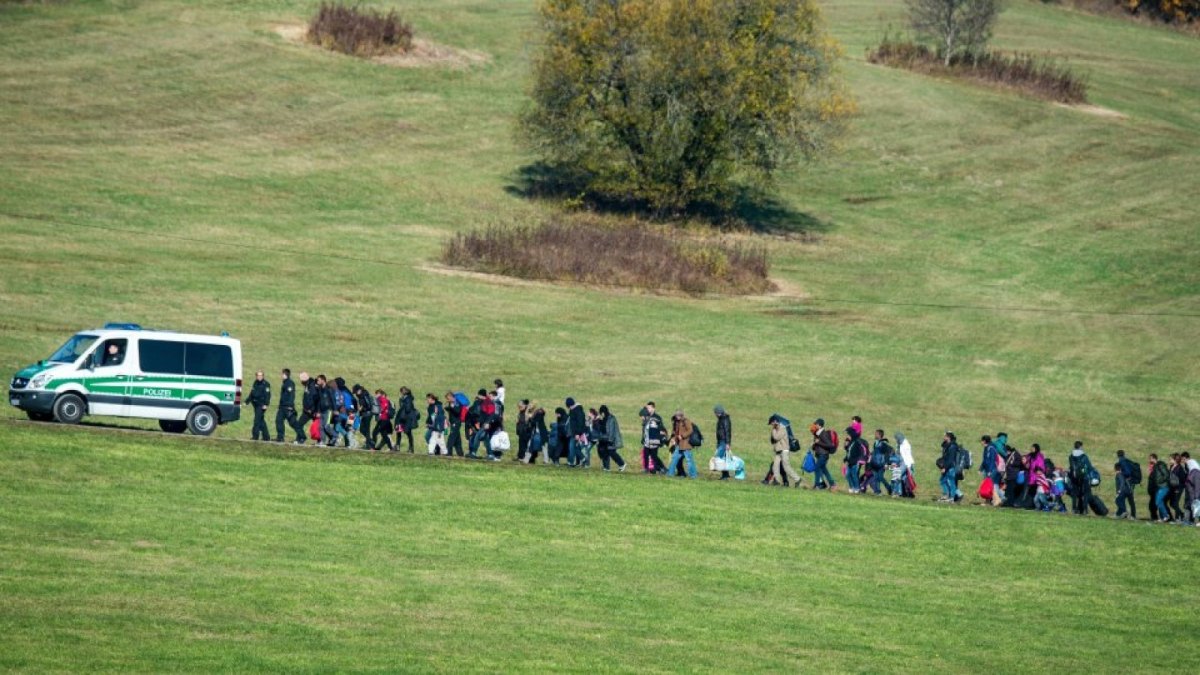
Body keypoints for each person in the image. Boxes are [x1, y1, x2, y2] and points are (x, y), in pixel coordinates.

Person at [769, 415, 800, 487]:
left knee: (786, 467)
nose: (771, 425)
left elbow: (776, 437)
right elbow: (773, 440)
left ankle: (797, 479)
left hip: (784, 450)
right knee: (775, 466)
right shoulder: (776, 429)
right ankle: (776, 481)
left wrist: (773, 430)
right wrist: (774, 430)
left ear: (775, 422)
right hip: (778, 450)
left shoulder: (782, 428)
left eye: (771, 423)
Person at [666, 409, 698, 479]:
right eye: (676, 415)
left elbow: (690, 430)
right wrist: (673, 439)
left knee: (689, 460)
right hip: (679, 445)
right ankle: (670, 473)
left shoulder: (686, 421)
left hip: (686, 445)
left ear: (681, 415)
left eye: (678, 415)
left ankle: (693, 475)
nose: (677, 417)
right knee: (674, 459)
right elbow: (676, 433)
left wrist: (682, 435)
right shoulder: (677, 422)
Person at [275, 368, 302, 443]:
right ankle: (280, 437)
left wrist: (290, 406)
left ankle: (301, 436)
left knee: (293, 423)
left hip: (287, 407)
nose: (281, 376)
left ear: (285, 374)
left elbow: (291, 395)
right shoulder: (285, 383)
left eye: (282, 374)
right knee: (278, 420)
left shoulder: (290, 383)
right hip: (282, 407)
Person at [1068, 441, 1095, 515]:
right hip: (1084, 477)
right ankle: (1085, 509)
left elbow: (1071, 467)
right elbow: (1089, 467)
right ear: (1080, 447)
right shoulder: (1084, 456)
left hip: (1074, 477)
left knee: (1074, 494)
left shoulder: (1071, 456)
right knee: (1085, 493)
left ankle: (1074, 508)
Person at [596, 405, 627, 472]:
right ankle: (606, 467)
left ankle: (622, 464)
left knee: (611, 452)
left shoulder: (611, 419)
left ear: (603, 412)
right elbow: (601, 429)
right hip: (604, 439)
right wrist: (598, 421)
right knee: (604, 452)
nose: (601, 414)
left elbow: (612, 431)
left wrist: (610, 440)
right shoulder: (603, 419)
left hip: (611, 439)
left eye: (601, 413)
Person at [811, 419, 837, 491]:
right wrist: (814, 445)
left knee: (817, 468)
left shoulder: (823, 433)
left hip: (823, 455)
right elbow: (818, 444)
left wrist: (818, 442)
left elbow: (830, 445)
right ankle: (833, 484)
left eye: (816, 424)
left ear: (819, 425)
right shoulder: (818, 433)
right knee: (824, 470)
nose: (815, 425)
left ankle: (817, 485)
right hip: (820, 454)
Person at [245, 369, 271, 441]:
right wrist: (247, 401)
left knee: (257, 420)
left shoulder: (266, 384)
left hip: (261, 405)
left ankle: (255, 436)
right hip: (255, 404)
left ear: (263, 376)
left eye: (260, 375)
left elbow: (268, 395)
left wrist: (266, 404)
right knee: (261, 420)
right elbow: (252, 393)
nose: (259, 377)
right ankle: (266, 437)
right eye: (258, 375)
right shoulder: (255, 383)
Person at [295, 372, 320, 446]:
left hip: (311, 411)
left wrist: (311, 409)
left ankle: (301, 438)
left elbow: (314, 399)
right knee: (300, 424)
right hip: (307, 410)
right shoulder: (308, 385)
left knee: (316, 426)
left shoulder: (312, 386)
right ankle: (300, 438)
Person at [641, 404, 667, 474]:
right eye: (647, 408)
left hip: (654, 441)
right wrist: (643, 438)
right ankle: (646, 469)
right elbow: (645, 429)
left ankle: (662, 468)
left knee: (654, 456)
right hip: (647, 440)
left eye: (649, 408)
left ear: (653, 408)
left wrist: (662, 440)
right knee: (645, 455)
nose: (648, 409)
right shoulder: (646, 417)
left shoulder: (657, 418)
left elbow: (661, 429)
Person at [938, 432, 963, 503]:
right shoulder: (947, 445)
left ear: (948, 437)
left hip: (951, 467)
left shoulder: (952, 447)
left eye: (945, 436)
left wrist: (945, 468)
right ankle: (946, 495)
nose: (943, 437)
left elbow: (951, 459)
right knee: (943, 480)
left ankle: (952, 497)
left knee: (950, 482)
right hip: (947, 466)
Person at [1114, 450, 1138, 520]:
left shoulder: (1122, 462)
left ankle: (1124, 512)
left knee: (1121, 498)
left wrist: (1120, 473)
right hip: (1130, 482)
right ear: (1124, 454)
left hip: (1127, 483)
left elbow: (1127, 473)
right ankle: (1131, 515)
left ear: (1118, 455)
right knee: (1129, 499)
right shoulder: (1128, 461)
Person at [566, 397, 589, 468]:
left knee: (572, 447)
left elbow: (580, 423)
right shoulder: (573, 410)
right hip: (574, 432)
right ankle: (583, 459)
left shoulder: (577, 411)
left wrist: (577, 433)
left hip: (576, 433)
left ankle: (571, 462)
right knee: (575, 447)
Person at [867, 430, 892, 495]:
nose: (875, 435)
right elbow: (875, 452)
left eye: (876, 434)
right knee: (875, 477)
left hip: (881, 464)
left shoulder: (883, 444)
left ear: (880, 435)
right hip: (874, 463)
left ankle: (889, 488)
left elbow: (887, 453)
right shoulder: (875, 443)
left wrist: (887, 463)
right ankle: (877, 491)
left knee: (880, 477)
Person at [844, 426, 867, 494]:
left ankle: (857, 488)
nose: (847, 435)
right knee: (848, 475)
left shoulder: (857, 442)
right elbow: (849, 451)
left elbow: (860, 452)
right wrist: (846, 458)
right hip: (849, 461)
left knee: (854, 475)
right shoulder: (851, 442)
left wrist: (857, 460)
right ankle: (852, 487)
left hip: (854, 462)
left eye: (848, 434)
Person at [396, 387, 418, 453]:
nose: (402, 392)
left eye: (403, 391)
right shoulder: (404, 399)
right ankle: (398, 447)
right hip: (402, 418)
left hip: (406, 419)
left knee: (408, 433)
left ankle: (411, 448)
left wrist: (403, 404)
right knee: (399, 432)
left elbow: (408, 409)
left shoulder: (408, 399)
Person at [353, 384, 375, 451]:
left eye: (356, 392)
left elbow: (365, 406)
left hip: (367, 414)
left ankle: (370, 446)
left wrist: (360, 409)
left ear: (359, 390)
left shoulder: (363, 395)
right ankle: (371, 442)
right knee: (362, 429)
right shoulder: (362, 395)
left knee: (367, 430)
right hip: (365, 414)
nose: (356, 394)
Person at [1167, 453, 1188, 523]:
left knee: (1175, 503)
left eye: (1171, 459)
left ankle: (1177, 519)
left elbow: (1183, 479)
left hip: (1178, 488)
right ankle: (1181, 515)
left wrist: (1178, 488)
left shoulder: (1180, 468)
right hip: (1172, 488)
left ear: (1175, 460)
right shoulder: (1171, 466)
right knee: (1172, 503)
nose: (1169, 460)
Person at [714, 405, 732, 480]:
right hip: (721, 441)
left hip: (724, 441)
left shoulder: (724, 420)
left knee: (718, 457)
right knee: (723, 459)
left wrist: (727, 443)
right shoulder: (721, 419)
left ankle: (724, 474)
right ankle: (725, 475)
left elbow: (727, 432)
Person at [444, 392, 464, 457]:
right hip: (453, 422)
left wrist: (451, 408)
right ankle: (460, 453)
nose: (447, 400)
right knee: (457, 439)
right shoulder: (451, 403)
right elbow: (452, 413)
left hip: (456, 422)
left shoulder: (457, 403)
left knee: (451, 437)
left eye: (448, 398)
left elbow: (458, 411)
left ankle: (449, 452)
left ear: (451, 396)